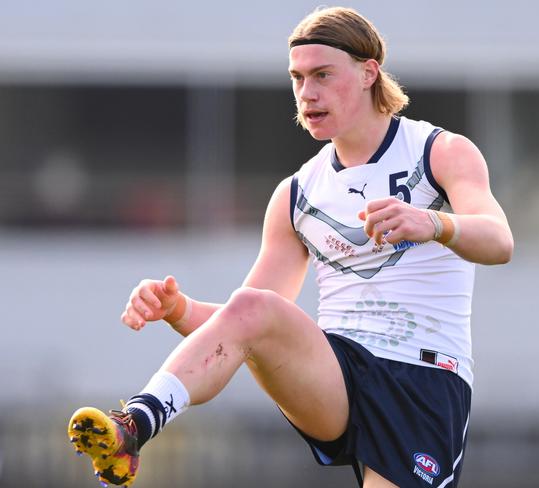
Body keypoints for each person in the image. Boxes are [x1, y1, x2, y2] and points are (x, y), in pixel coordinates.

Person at [68, 6, 513, 488]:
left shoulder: (439, 152)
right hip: (335, 370)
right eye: (298, 78)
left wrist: (433, 223)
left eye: (323, 75)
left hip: (423, 379)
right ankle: (134, 426)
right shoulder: (296, 193)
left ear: (369, 73)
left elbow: (499, 241)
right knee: (252, 305)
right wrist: (179, 309)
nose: (307, 93)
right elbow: (245, 327)